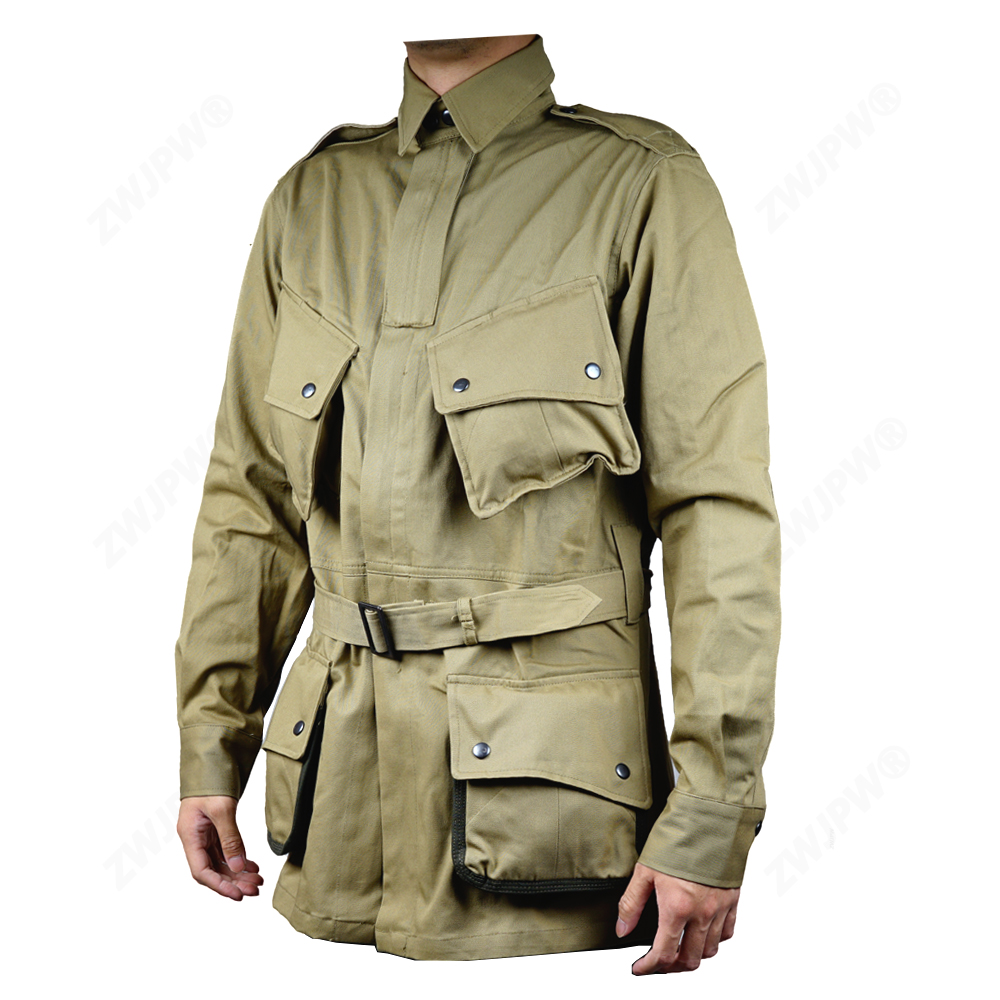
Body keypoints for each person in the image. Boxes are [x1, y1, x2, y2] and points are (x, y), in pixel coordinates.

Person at [174, 33, 781, 974]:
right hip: (333, 833)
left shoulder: (639, 184)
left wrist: (710, 812)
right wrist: (211, 744)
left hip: (558, 844)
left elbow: (718, 516)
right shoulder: (313, 197)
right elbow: (250, 502)